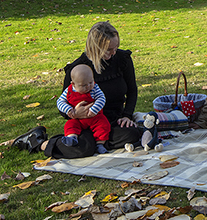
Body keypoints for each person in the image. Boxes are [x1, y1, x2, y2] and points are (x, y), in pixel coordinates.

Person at [41, 21, 144, 158]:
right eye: (108, 50)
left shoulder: (122, 59)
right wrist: (75, 113)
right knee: (83, 148)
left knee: (132, 133)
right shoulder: (78, 69)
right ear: (95, 47)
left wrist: (127, 115)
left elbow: (132, 91)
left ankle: (97, 142)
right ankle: (39, 142)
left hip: (113, 120)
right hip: (84, 124)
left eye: (116, 47)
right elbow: (63, 102)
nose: (113, 53)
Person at [56, 64, 110, 154]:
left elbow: (101, 98)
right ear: (73, 84)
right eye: (84, 85)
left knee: (103, 125)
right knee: (70, 125)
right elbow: (60, 102)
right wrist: (70, 110)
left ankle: (100, 144)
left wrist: (93, 110)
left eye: (90, 82)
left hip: (94, 117)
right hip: (77, 119)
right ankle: (72, 138)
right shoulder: (69, 91)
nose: (88, 86)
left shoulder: (95, 88)